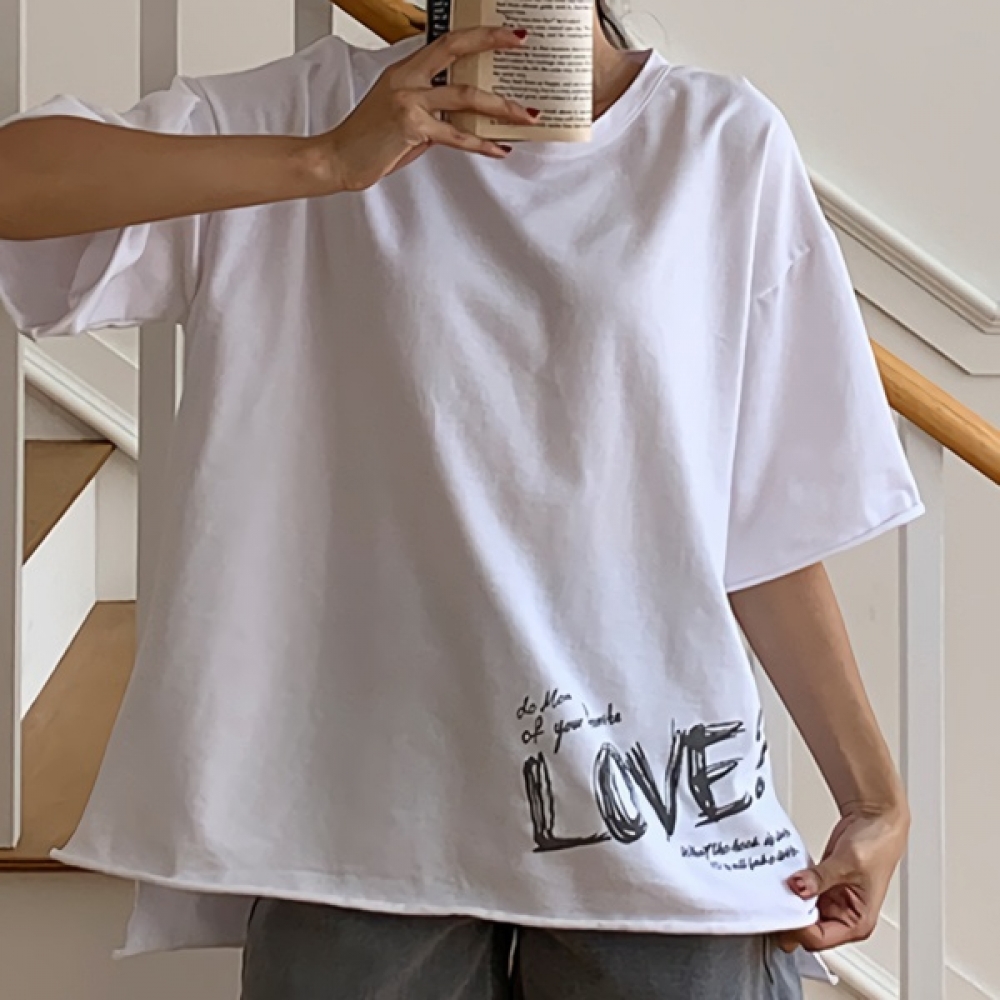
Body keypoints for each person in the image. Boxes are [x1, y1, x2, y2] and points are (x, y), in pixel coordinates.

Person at [0, 2, 923, 997]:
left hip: (658, 815)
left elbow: (760, 517)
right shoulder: (310, 112)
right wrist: (324, 160)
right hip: (358, 823)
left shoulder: (719, 143)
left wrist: (873, 799)